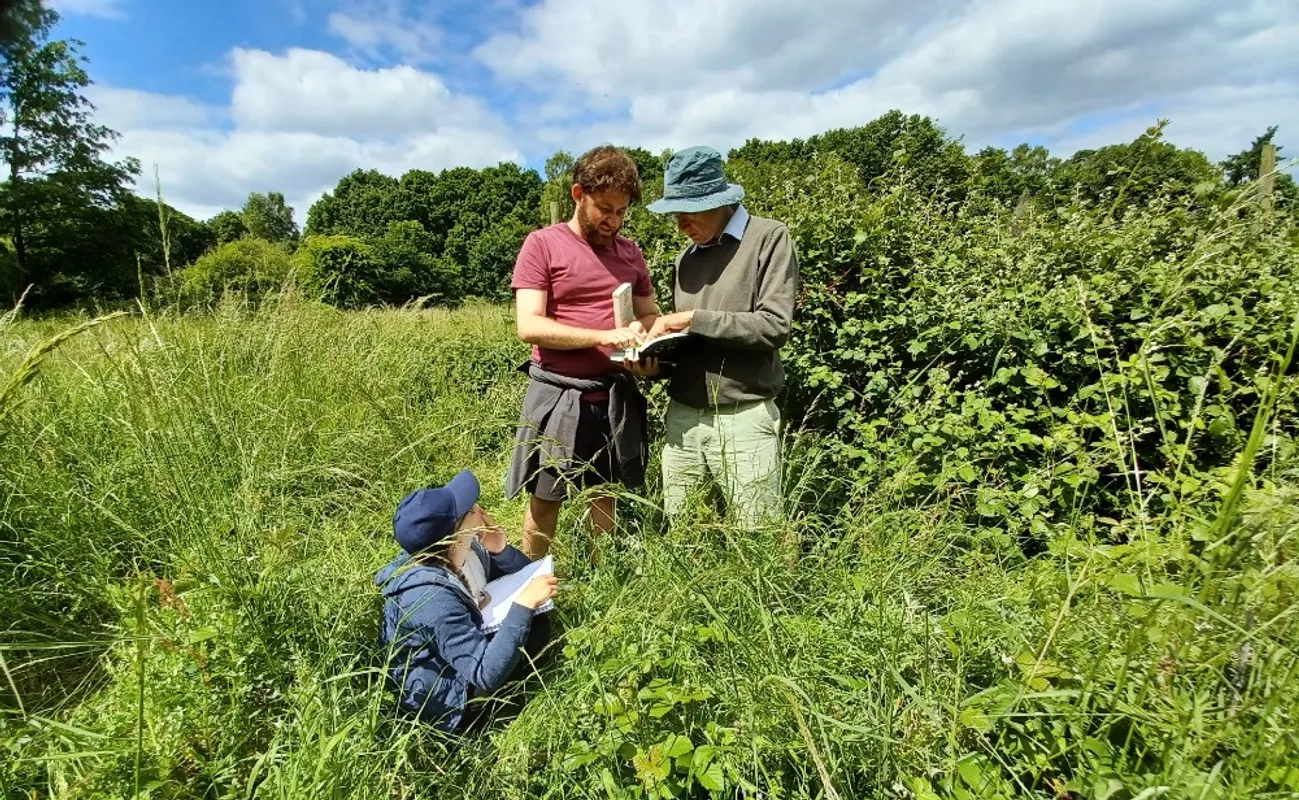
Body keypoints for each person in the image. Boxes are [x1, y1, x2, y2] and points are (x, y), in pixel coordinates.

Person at [506, 145, 660, 560]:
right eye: (604, 208)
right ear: (578, 194)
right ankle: (532, 583)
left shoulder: (630, 252)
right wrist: (602, 336)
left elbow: (649, 314)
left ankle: (601, 578)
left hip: (612, 392)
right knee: (545, 497)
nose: (613, 220)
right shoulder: (542, 245)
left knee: (605, 493)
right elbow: (530, 325)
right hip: (559, 394)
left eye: (622, 212)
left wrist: (643, 340)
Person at [645, 146, 799, 527]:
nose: (680, 223)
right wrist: (653, 364)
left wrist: (695, 318)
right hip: (683, 417)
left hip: (744, 414)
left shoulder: (769, 238)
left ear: (720, 202)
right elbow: (691, 345)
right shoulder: (686, 260)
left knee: (757, 535)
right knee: (685, 532)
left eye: (689, 211)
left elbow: (773, 326)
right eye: (674, 214)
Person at [375, 469, 557, 733]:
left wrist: (501, 551)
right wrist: (523, 605)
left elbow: (525, 576)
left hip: (464, 637)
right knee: (535, 630)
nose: (478, 509)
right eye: (469, 510)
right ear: (453, 535)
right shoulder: (432, 599)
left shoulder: (465, 550)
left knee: (537, 621)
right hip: (445, 692)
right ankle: (478, 716)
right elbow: (485, 672)